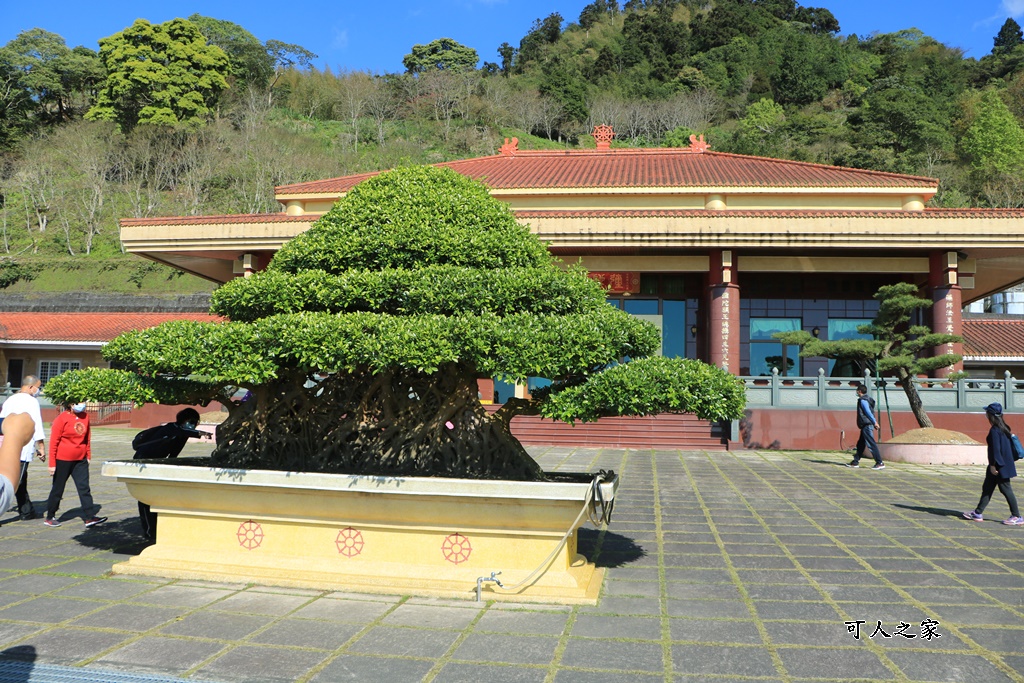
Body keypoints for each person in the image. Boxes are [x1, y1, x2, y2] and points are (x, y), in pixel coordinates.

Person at [132, 408, 204, 540]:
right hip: (143, 461)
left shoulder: (182, 434)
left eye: (196, 422)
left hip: (156, 463)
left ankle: (158, 529)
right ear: (183, 420)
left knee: (157, 498)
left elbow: (174, 454)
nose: (193, 425)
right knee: (145, 499)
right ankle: (149, 532)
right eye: (191, 422)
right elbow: (181, 431)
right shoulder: (171, 428)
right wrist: (199, 433)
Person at [43, 402, 107, 528]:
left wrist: (88, 455)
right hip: (63, 460)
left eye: (82, 402)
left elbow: (87, 437)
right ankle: (50, 516)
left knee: (84, 488)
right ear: (70, 404)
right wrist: (52, 464)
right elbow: (54, 442)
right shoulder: (61, 418)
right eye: (77, 403)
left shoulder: (85, 416)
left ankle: (89, 516)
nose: (81, 405)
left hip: (80, 460)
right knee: (58, 488)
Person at [963, 403, 1022, 525]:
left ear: (990, 415)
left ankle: (1016, 516)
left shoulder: (995, 430)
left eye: (987, 412)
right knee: (987, 489)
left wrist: (993, 465)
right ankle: (977, 513)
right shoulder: (1005, 428)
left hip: (999, 465)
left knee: (1006, 489)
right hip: (1003, 463)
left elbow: (996, 449)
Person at [0, 376, 46, 519]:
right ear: (31, 387)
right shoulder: (32, 402)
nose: (39, 391)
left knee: (20, 479)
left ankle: (26, 510)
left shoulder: (10, 400)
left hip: (5, 443)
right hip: (21, 445)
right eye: (38, 387)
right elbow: (36, 424)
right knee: (15, 480)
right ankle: (24, 510)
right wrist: (42, 446)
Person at [846, 383, 884, 470]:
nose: (856, 393)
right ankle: (855, 462)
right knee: (860, 444)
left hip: (867, 425)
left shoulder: (863, 400)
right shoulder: (867, 399)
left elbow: (868, 412)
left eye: (857, 391)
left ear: (859, 391)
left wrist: (875, 422)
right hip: (865, 425)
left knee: (871, 444)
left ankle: (879, 462)